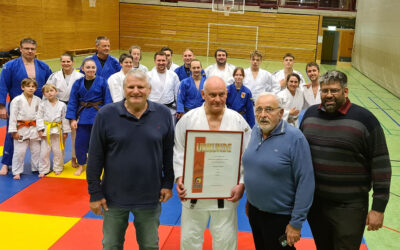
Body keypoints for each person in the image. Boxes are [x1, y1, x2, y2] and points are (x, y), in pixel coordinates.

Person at [300, 70, 392, 250]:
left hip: (350, 207)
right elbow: (300, 158)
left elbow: (381, 164)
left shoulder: (365, 120)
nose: (328, 95)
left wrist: (378, 208)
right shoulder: (310, 116)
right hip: (316, 204)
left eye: (334, 91)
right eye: (325, 91)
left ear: (345, 91)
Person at [87, 69, 174, 250]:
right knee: (111, 245)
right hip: (113, 197)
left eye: (141, 87)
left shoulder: (163, 114)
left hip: (150, 195)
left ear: (149, 89)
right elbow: (95, 156)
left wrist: (167, 183)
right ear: (123, 89)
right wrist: (95, 192)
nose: (136, 91)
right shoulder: (106, 115)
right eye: (131, 87)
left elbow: (168, 153)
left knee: (150, 245)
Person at [173, 76, 251, 250]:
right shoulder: (188, 119)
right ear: (203, 94)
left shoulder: (237, 120)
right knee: (190, 240)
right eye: (212, 95)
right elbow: (179, 151)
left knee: (226, 241)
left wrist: (242, 183)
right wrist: (179, 177)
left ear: (227, 93)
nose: (217, 99)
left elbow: (248, 154)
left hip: (226, 193)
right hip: (193, 193)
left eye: (221, 94)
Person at [242, 92, 314, 249]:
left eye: (269, 109)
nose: (263, 115)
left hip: (280, 217)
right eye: (259, 109)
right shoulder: (255, 131)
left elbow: (306, 182)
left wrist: (296, 223)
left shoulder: (295, 138)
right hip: (255, 212)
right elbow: (255, 168)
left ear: (281, 112)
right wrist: (250, 199)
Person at [0, 37, 52, 175]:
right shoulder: (10, 66)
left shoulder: (43, 66)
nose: (30, 51)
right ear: (21, 49)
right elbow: (2, 86)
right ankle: (6, 163)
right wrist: (2, 107)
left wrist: (51, 103)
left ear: (36, 50)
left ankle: (40, 164)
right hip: (18, 106)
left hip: (38, 106)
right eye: (27, 48)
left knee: (39, 135)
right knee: (12, 134)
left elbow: (51, 85)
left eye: (32, 49)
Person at [66, 59, 112, 176]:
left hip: (98, 115)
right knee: (80, 142)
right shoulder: (77, 83)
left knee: (99, 143)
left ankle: (101, 165)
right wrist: (72, 119)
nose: (91, 70)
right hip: (83, 116)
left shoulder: (103, 82)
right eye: (88, 67)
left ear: (96, 69)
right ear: (82, 69)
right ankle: (81, 165)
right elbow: (72, 101)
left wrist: (107, 117)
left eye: (93, 67)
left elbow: (108, 100)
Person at [45, 53, 84, 168]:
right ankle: (59, 161)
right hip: (58, 107)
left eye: (68, 61)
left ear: (73, 62)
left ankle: (74, 158)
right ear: (60, 62)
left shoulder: (80, 76)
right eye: (63, 61)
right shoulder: (54, 76)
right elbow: (47, 92)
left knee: (75, 135)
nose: (66, 64)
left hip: (75, 107)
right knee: (60, 135)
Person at [8, 78, 42, 180]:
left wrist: (40, 129)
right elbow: (13, 116)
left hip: (34, 127)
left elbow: (40, 116)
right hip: (21, 128)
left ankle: (37, 168)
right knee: (19, 151)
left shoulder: (38, 100)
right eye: (28, 86)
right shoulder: (17, 100)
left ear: (36, 88)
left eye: (33, 86)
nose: (31, 88)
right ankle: (17, 171)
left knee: (36, 150)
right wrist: (14, 131)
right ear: (22, 87)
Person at [36, 84, 70, 176]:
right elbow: (39, 117)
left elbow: (65, 118)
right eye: (47, 92)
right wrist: (40, 129)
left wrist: (66, 131)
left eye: (51, 90)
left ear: (56, 92)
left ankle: (58, 167)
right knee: (44, 152)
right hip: (46, 130)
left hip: (58, 130)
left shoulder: (62, 105)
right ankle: (43, 169)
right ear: (44, 94)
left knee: (58, 151)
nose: (49, 93)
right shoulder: (42, 104)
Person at [147, 51, 180, 120]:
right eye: (159, 60)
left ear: (167, 61)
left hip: (170, 110)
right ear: (154, 61)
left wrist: (179, 109)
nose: (161, 63)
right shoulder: (148, 75)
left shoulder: (173, 75)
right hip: (152, 110)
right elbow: (144, 94)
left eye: (163, 60)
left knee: (170, 130)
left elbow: (177, 94)